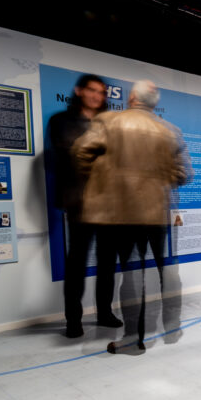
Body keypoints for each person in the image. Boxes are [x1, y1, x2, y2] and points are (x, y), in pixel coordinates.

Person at [74, 80, 190, 352]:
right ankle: (172, 329)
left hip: (123, 214)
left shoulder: (109, 122)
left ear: (132, 98)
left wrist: (107, 177)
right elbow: (184, 173)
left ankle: (132, 339)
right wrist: (157, 182)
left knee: (132, 272)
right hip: (159, 211)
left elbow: (81, 154)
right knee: (167, 268)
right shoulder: (169, 130)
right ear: (153, 102)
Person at [45, 73, 121, 338]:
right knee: (76, 263)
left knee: (107, 263)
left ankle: (105, 313)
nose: (96, 96)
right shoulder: (60, 121)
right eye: (91, 90)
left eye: (101, 92)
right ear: (79, 91)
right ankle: (73, 320)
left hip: (109, 203)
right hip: (80, 202)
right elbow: (70, 153)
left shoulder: (111, 123)